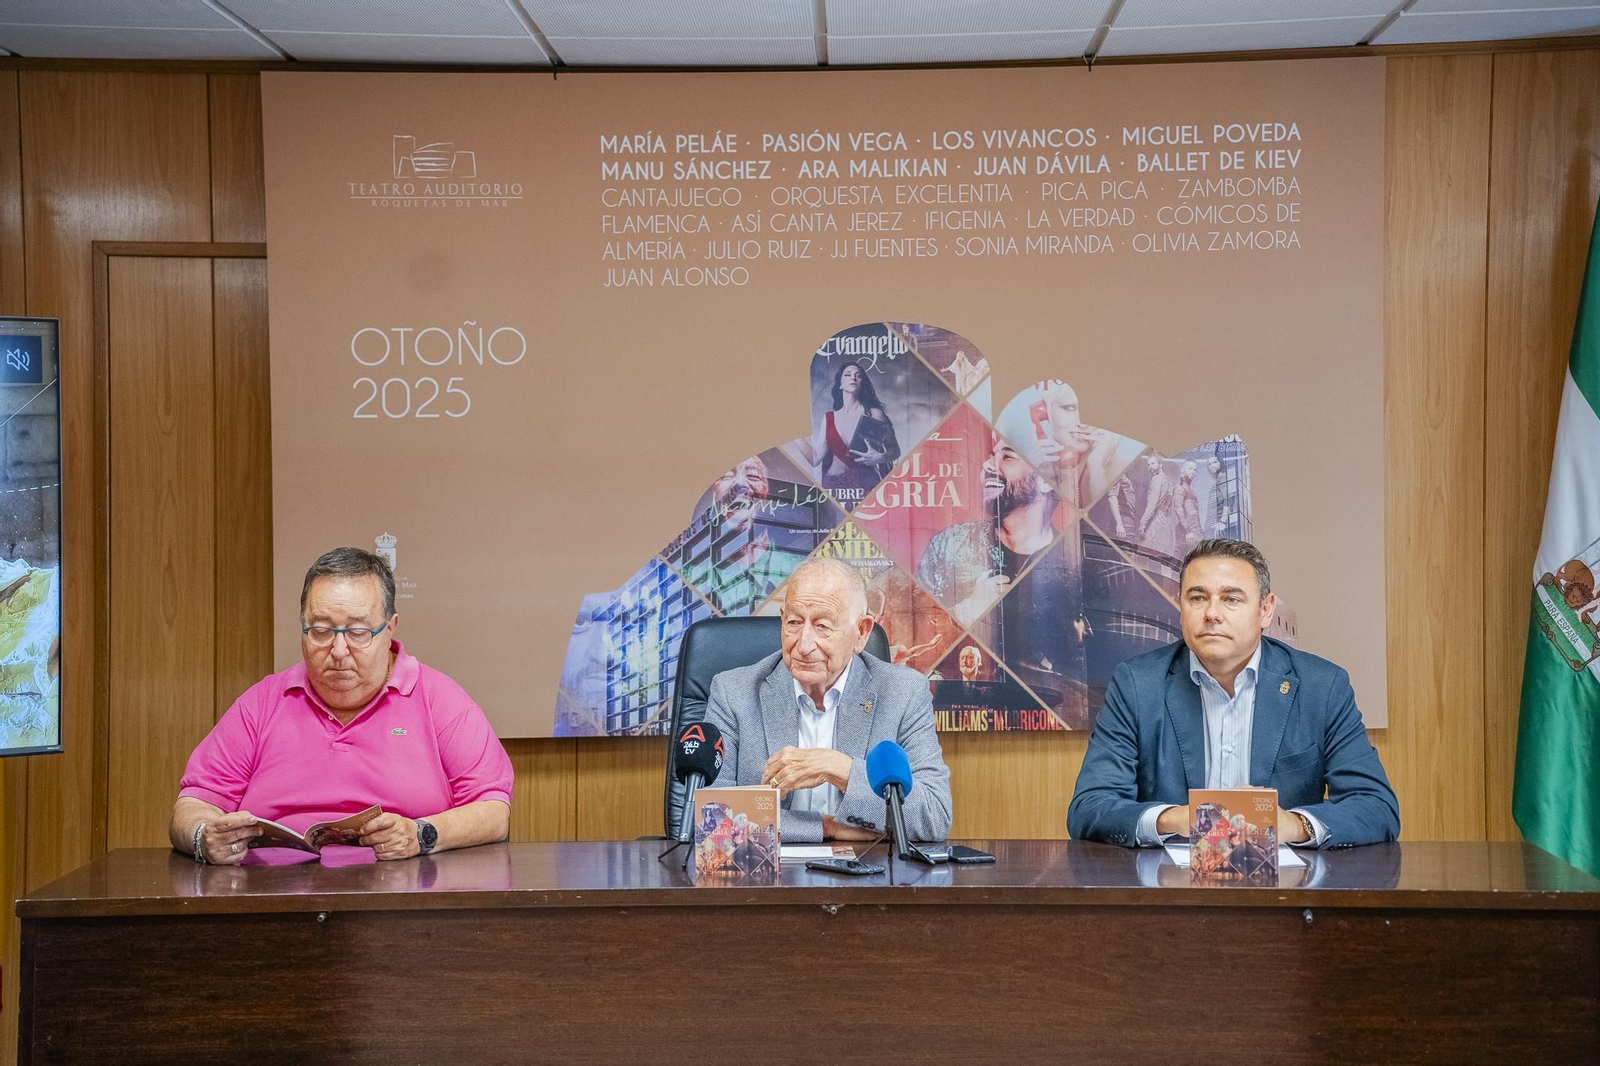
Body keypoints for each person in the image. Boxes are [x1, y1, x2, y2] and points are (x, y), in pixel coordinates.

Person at [169, 547, 513, 864]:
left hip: (403, 895)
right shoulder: (262, 703)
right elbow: (194, 803)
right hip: (271, 894)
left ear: (390, 629)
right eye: (321, 631)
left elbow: (494, 812)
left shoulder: (440, 700)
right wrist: (203, 837)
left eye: (358, 632)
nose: (338, 651)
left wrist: (420, 835)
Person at [1067, 538, 1398, 849]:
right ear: (1180, 607)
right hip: (1170, 882)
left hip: (1286, 884)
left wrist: (1292, 825)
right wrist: (1177, 819)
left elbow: (1376, 806)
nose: (1212, 613)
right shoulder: (1138, 684)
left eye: (1231, 599)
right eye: (1197, 598)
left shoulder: (1321, 686)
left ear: (1265, 610)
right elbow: (1090, 806)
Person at [704, 556, 952, 843]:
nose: (804, 644)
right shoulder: (733, 693)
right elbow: (713, 819)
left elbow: (934, 816)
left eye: (822, 626)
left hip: (866, 869)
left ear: (861, 632)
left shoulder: (903, 692)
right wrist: (827, 828)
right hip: (768, 867)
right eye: (794, 622)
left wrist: (838, 767)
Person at [917, 436, 1061, 633]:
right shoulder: (948, 544)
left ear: (1045, 480)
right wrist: (967, 611)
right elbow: (914, 630)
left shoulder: (1071, 561)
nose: (986, 465)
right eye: (990, 456)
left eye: (1008, 457)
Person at [798, 362, 900, 495]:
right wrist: (795, 437)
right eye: (847, 375)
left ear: (862, 383)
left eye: (858, 376)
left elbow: (895, 451)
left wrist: (880, 457)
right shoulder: (829, 418)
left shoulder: (874, 414)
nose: (853, 378)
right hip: (834, 485)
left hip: (866, 484)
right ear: (840, 384)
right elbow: (815, 459)